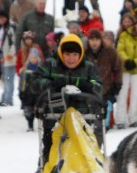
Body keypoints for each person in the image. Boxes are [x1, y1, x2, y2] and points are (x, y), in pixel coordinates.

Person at [29, 33, 103, 161]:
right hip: (53, 118)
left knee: (84, 151)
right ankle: (48, 169)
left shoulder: (88, 67)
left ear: (80, 55)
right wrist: (52, 85)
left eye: (75, 55)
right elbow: (34, 82)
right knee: (51, 152)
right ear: (61, 53)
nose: (71, 59)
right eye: (67, 54)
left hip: (83, 119)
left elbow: (99, 86)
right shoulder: (50, 65)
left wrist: (87, 86)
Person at [86, 28, 123, 117]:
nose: (94, 43)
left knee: (103, 117)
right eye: (92, 40)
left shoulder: (110, 51)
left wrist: (117, 84)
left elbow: (118, 68)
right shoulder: (84, 53)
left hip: (105, 89)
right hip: (88, 89)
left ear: (100, 40)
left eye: (97, 40)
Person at [0, 13, 18, 107]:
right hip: (0, 57)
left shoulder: (10, 28)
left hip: (9, 58)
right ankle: (5, 97)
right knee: (4, 79)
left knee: (9, 79)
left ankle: (8, 99)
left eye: (3, 18)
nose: (1, 20)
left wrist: (10, 54)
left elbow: (15, 42)